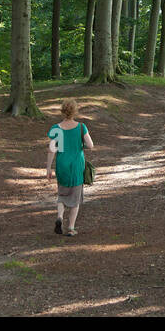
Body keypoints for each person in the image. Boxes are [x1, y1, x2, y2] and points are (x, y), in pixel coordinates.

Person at [46, 99, 94, 236]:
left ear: (62, 111)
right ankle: (71, 228)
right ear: (75, 111)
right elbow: (90, 145)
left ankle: (60, 217)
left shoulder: (56, 128)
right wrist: (79, 145)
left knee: (62, 194)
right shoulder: (81, 127)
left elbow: (51, 149)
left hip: (62, 165)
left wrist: (48, 168)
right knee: (75, 198)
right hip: (77, 165)